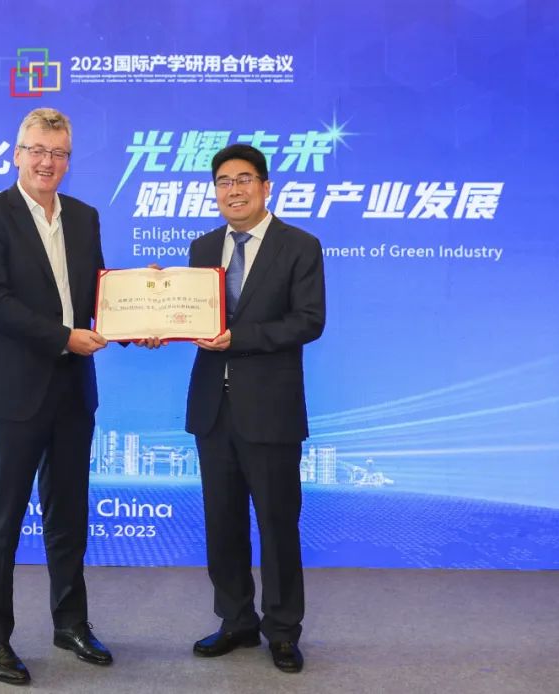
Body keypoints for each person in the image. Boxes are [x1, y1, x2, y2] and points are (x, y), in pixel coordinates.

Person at [0, 107, 112, 686]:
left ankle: (70, 623)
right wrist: (63, 337)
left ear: (68, 160)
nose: (48, 162)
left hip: (72, 389)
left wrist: (144, 308)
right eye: (38, 150)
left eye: (58, 153)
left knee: (69, 513)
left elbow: (99, 296)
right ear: (17, 155)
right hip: (12, 390)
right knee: (1, 517)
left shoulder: (84, 217)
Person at [185, 143, 326, 673]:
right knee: (222, 524)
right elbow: (189, 314)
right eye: (224, 182)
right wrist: (157, 306)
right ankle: (236, 620)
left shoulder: (299, 246)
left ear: (266, 187)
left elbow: (308, 321)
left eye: (244, 179)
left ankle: (283, 630)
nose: (234, 190)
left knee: (277, 525)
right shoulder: (203, 248)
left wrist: (238, 338)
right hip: (212, 409)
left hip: (271, 410)